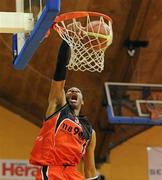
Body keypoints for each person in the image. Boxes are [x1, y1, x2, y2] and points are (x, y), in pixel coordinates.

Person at [29, 40, 98, 180]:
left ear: (82, 101)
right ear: (64, 97)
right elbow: (60, 70)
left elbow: (90, 169)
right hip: (52, 169)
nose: (73, 90)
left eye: (77, 91)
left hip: (72, 173)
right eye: (69, 91)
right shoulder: (58, 109)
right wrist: (68, 39)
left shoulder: (90, 131)